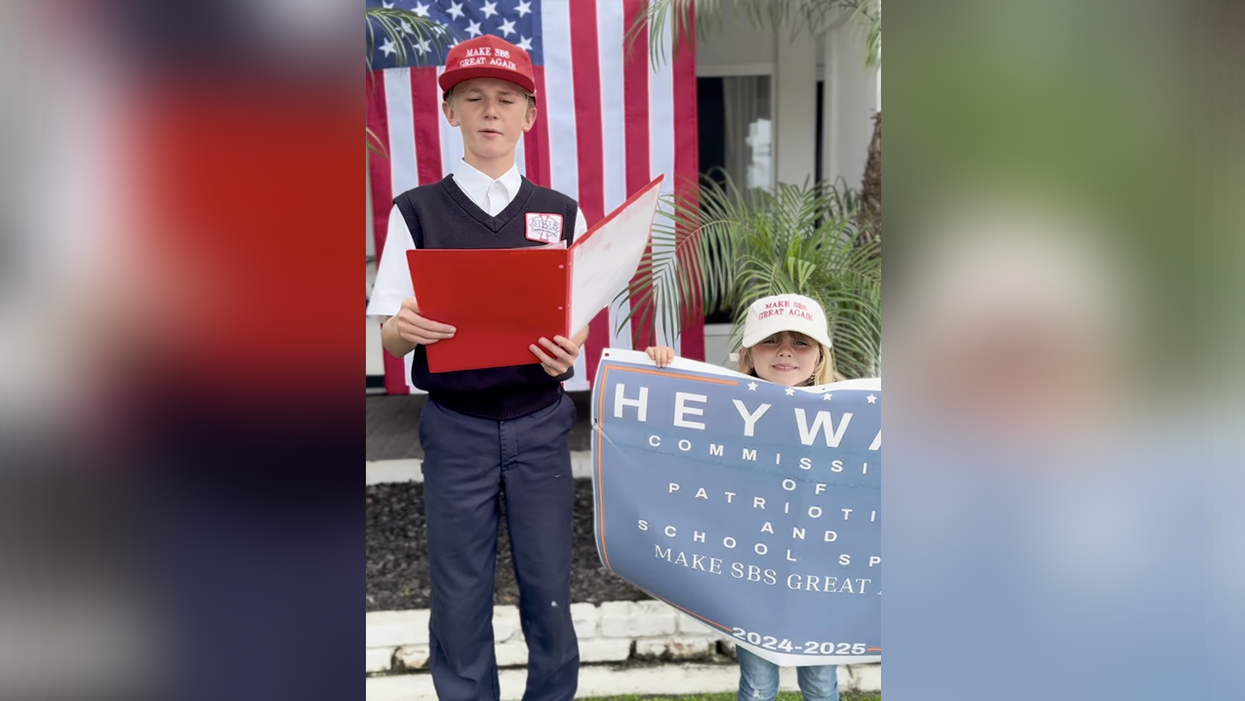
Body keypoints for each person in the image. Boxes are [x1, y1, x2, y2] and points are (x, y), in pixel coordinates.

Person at [367, 34, 587, 701]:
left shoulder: (559, 211)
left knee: (548, 581)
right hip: (456, 425)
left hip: (540, 421)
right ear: (450, 111)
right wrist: (403, 329)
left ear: (529, 115)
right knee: (459, 585)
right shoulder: (416, 211)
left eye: (505, 99)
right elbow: (390, 335)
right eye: (473, 98)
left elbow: (573, 317)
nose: (490, 111)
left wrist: (568, 348)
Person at [647, 293, 843, 701]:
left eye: (801, 342)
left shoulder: (849, 410)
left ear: (820, 356)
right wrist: (658, 368)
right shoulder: (725, 408)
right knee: (756, 685)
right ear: (749, 352)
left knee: (822, 684)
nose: (786, 351)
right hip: (751, 572)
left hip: (820, 574)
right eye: (772, 340)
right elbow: (670, 432)